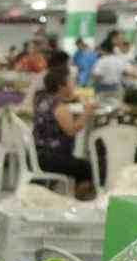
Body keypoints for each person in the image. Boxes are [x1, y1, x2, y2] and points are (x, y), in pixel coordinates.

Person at [33, 64, 97, 195]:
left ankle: (76, 193)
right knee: (88, 168)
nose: (73, 85)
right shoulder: (60, 108)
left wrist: (70, 98)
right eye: (71, 82)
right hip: (52, 158)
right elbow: (71, 131)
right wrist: (87, 113)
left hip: (38, 154)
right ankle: (80, 197)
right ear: (61, 86)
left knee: (79, 166)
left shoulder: (41, 99)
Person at [92, 30, 137, 95]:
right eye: (121, 38)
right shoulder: (106, 50)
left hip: (117, 82)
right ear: (114, 38)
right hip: (105, 82)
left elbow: (124, 65)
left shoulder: (117, 51)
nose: (122, 40)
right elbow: (98, 70)